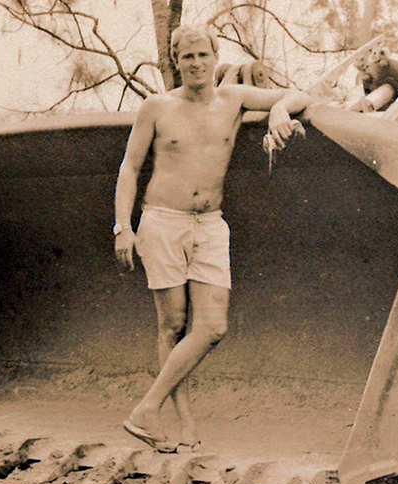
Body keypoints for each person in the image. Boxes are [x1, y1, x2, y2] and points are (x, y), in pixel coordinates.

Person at [114, 23, 311, 453]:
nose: (196, 63)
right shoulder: (157, 106)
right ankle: (182, 424)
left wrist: (279, 111)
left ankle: (146, 409)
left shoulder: (233, 99)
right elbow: (129, 167)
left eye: (203, 55)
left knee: (212, 327)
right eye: (187, 56)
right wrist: (122, 227)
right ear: (176, 61)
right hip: (162, 221)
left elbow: (299, 94)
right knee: (172, 326)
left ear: (216, 57)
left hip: (210, 224)